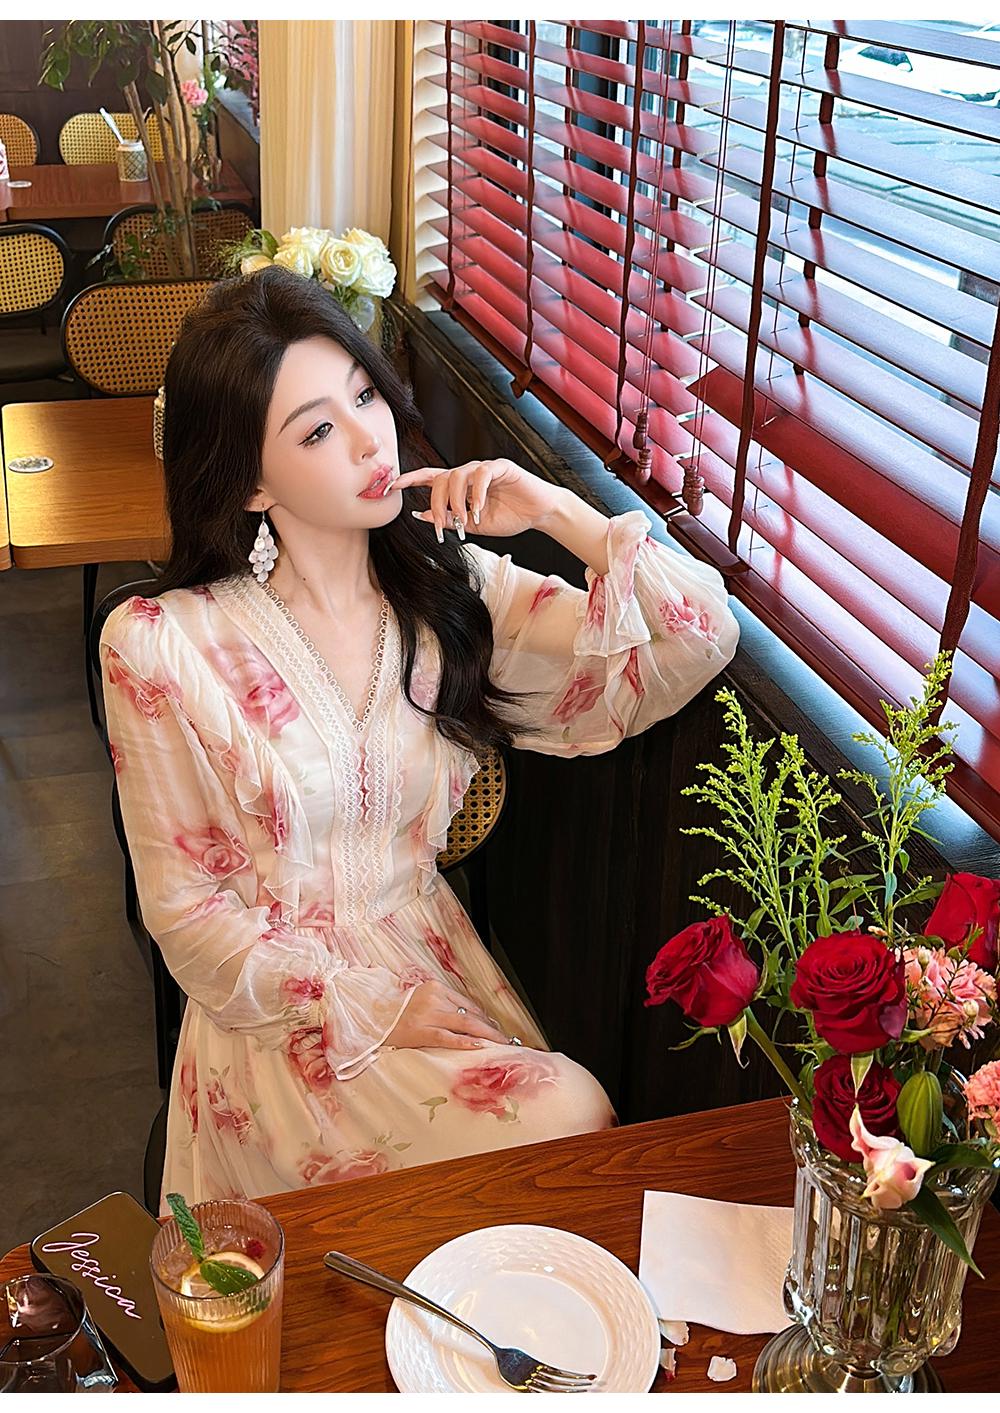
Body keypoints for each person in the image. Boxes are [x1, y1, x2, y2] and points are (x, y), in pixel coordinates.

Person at [100, 267, 739, 1213]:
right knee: (567, 1124)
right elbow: (187, 915)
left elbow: (697, 636)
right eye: (316, 431)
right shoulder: (162, 645)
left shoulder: (452, 596)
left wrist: (556, 512)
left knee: (568, 1145)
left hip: (429, 959)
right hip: (281, 1017)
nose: (370, 439)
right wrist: (361, 1005)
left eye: (365, 395)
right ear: (248, 483)